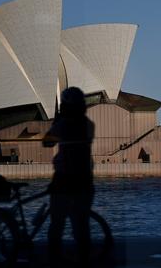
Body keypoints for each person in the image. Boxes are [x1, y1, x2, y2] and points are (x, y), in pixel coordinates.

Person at [43, 87, 95, 267]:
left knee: (57, 223)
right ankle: (83, 259)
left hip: (63, 180)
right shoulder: (89, 125)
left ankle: (54, 259)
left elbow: (47, 142)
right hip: (84, 180)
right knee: (81, 225)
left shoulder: (63, 125)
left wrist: (56, 122)